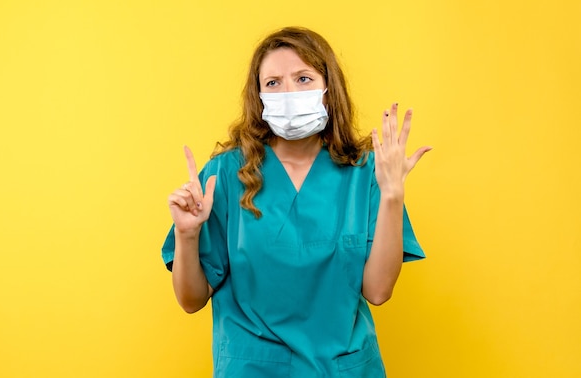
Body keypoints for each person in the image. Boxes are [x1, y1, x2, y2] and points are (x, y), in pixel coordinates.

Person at [162, 26, 431, 377]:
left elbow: (378, 291)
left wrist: (393, 195)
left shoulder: (366, 172)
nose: (288, 92)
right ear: (258, 96)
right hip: (254, 369)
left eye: (303, 78)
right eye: (273, 83)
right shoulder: (226, 175)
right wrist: (186, 235)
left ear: (327, 89)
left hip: (343, 369)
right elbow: (191, 300)